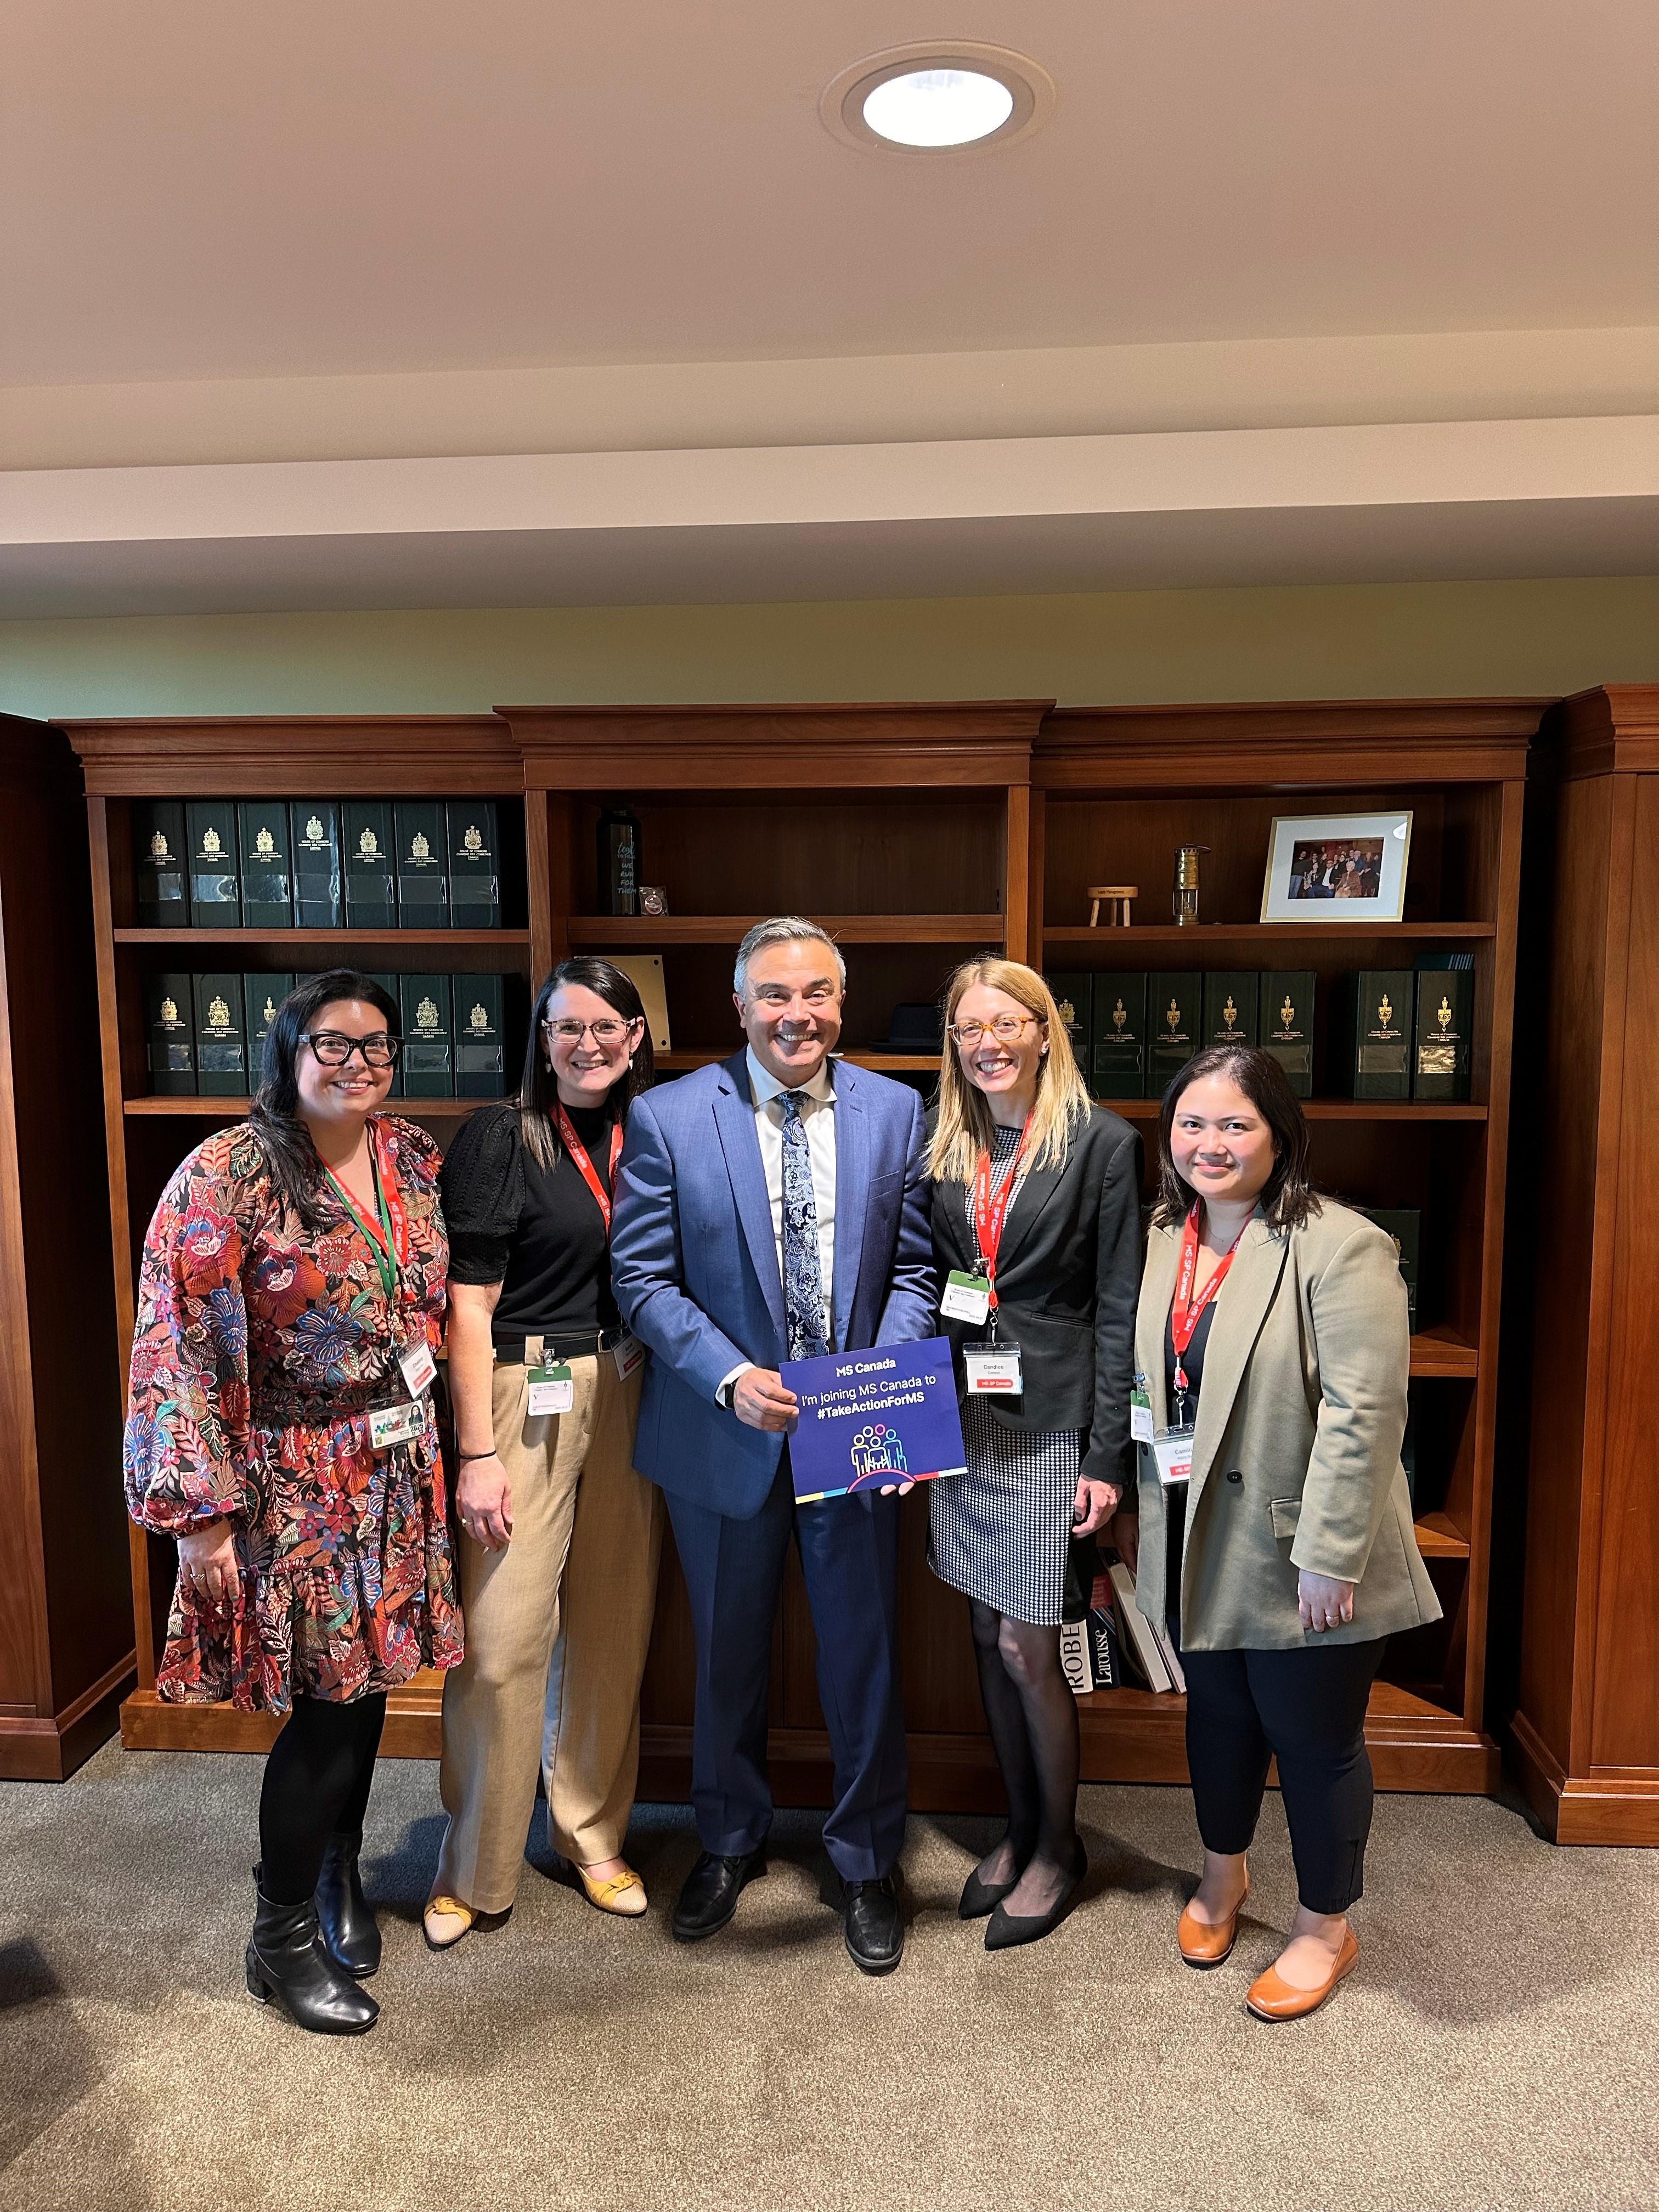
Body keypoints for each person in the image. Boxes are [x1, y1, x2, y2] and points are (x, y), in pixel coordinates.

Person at [124, 970, 459, 2035]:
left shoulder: (409, 1154)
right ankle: (278, 1939)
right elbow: (172, 1351)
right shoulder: (226, 1175)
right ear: (288, 1049)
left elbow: (427, 1301)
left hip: (395, 1463)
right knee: (322, 1708)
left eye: (377, 1044)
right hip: (291, 1480)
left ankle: (336, 1872)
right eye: (334, 1043)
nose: (357, 1063)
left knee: (363, 1695)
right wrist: (201, 1518)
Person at [610, 917, 935, 1974]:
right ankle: (727, 1841)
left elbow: (919, 1270)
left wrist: (874, 1377)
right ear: (739, 1007)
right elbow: (644, 1280)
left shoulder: (897, 1110)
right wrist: (727, 1376)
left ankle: (869, 1859)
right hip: (723, 1433)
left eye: (819, 995)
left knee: (862, 1659)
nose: (800, 1015)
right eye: (777, 997)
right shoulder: (665, 1117)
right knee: (724, 1660)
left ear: (842, 1002)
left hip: (861, 1430)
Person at [1115, 1044, 1441, 2021]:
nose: (1208, 1145)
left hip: (1304, 1548)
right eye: (1191, 1124)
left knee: (1312, 1739)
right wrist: (1142, 1511)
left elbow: (1367, 1410)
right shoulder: (1166, 1232)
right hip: (1194, 1531)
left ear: (1279, 1135)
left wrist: (1331, 1554)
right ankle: (1223, 1877)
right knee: (1216, 1719)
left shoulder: (1344, 1244)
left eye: (1234, 1125)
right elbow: (1158, 1387)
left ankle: (1324, 1927)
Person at [425, 958, 663, 1945]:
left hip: (636, 1387)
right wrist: (474, 1453)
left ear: (638, 1036)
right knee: (504, 1637)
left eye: (609, 1025)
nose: (589, 1042)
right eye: (567, 1026)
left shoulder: (658, 1131)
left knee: (613, 1625)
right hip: (527, 1390)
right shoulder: (501, 1135)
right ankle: (476, 1861)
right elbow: (467, 1307)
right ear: (542, 1037)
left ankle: (592, 1834)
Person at [926, 960, 1142, 1949]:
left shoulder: (1103, 1145)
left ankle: (1059, 1849)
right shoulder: (951, 1143)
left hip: (1055, 1419)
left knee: (1026, 1642)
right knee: (981, 1635)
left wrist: (1108, 1456)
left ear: (1045, 1031)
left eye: (1008, 1022)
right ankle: (1017, 1831)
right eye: (970, 1027)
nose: (989, 1042)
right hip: (961, 1415)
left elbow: (1120, 1310)